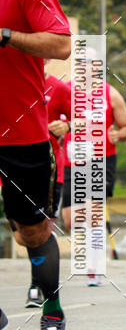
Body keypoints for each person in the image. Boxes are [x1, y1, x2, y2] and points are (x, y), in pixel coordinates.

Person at [0, 0, 71, 330]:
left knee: (31, 231)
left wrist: (6, 35)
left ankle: (52, 313)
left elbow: (61, 44)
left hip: (21, 131)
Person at [62, 76, 126, 285]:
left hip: (101, 160)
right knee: (71, 220)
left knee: (93, 210)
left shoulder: (110, 93)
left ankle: (94, 266)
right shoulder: (65, 90)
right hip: (72, 162)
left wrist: (119, 135)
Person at [24, 68, 71, 308]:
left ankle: (38, 288)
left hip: (51, 170)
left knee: (41, 231)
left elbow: (85, 118)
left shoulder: (59, 87)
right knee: (22, 236)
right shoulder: (12, 81)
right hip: (14, 166)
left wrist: (69, 126)